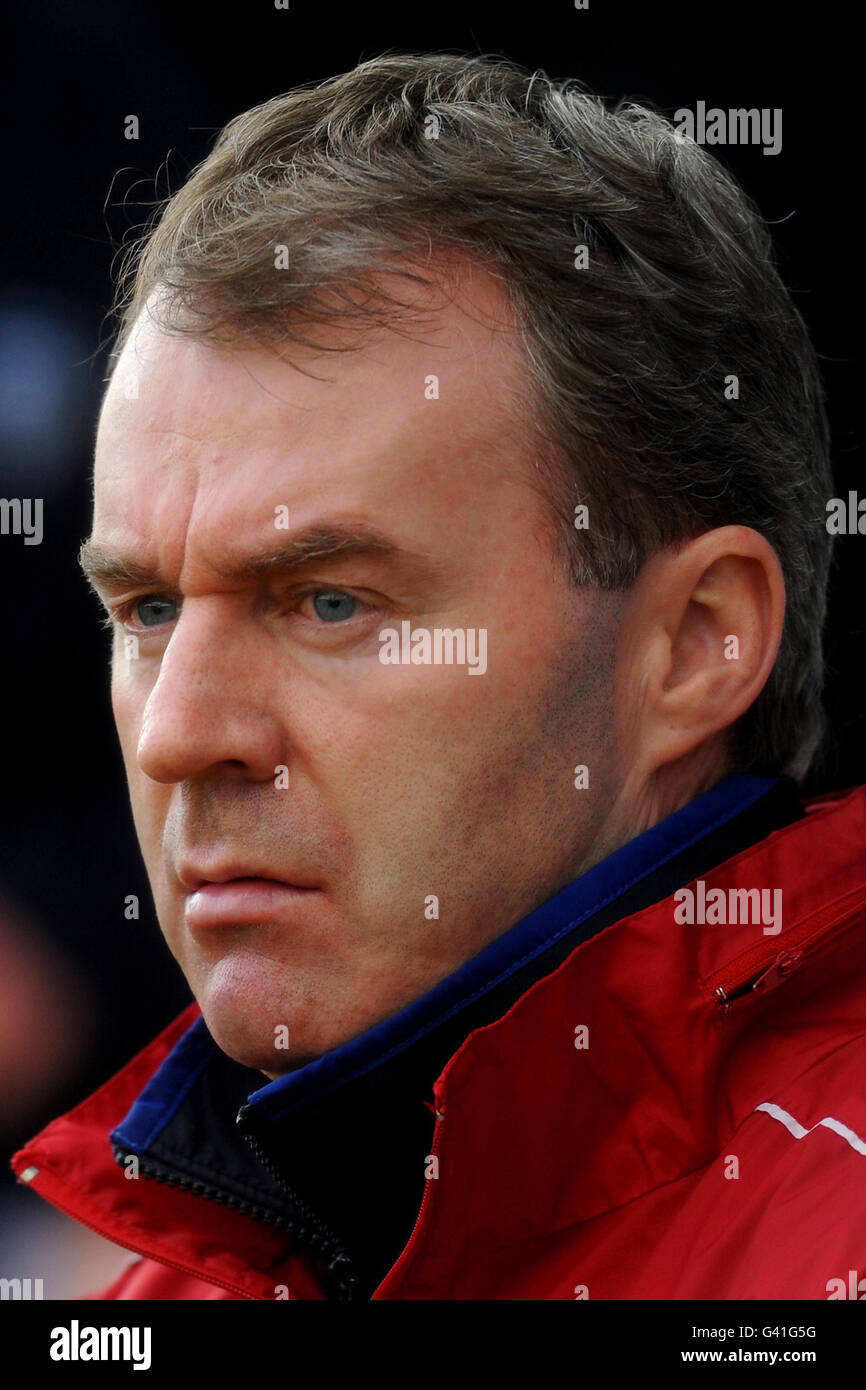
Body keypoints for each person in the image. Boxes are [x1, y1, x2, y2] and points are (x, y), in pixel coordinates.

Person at [12, 52, 865, 1301]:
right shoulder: (167, 1287)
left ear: (692, 641)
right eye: (143, 610)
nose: (179, 733)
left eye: (330, 600)